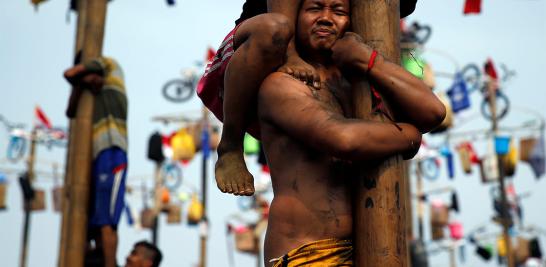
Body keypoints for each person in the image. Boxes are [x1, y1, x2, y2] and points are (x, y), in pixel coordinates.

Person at [256, 0, 445, 265]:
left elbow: (433, 112)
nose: (325, 18)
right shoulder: (280, 85)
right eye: (314, 8)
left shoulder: (357, 83)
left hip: (370, 249)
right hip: (309, 254)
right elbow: (343, 139)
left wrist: (370, 61)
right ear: (294, 18)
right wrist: (409, 136)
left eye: (338, 11)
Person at [199, 0, 419, 197]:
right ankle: (230, 145)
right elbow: (344, 139)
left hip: (327, 57)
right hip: (259, 49)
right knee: (275, 28)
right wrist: (290, 53)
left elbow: (402, 6)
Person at [64, 56, 128, 267]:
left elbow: (70, 73)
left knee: (107, 221)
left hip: (113, 151)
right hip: (97, 157)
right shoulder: (92, 92)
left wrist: (80, 77)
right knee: (92, 221)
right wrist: (83, 82)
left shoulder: (110, 66)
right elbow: (70, 110)